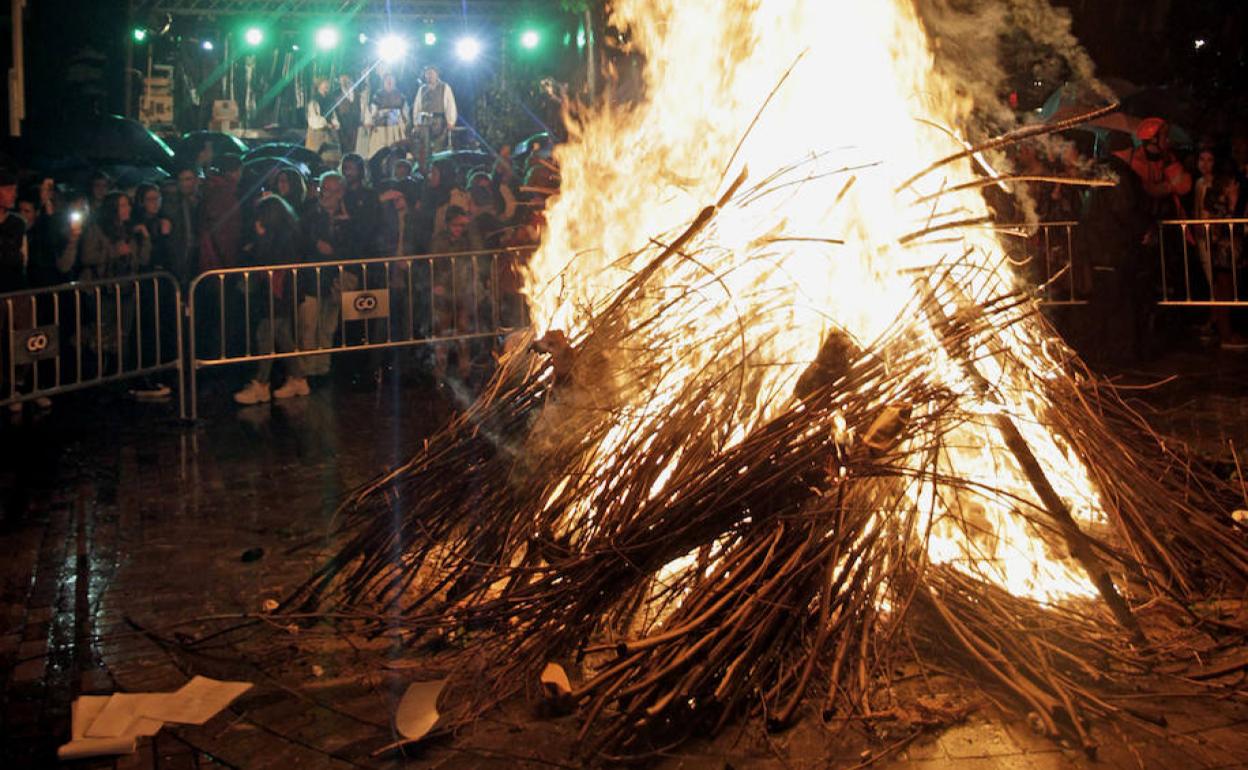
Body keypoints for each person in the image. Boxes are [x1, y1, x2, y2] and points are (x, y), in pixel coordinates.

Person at [234, 196, 313, 404]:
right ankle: (298, 378)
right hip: (283, 291)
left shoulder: (279, 239)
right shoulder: (290, 233)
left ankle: (261, 384)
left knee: (265, 334)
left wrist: (259, 240)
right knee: (282, 334)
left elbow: (269, 261)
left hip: (278, 292)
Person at [162, 165, 201, 287]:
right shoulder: (172, 202)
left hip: (198, 255)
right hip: (182, 256)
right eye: (181, 180)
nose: (184, 184)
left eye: (188, 179)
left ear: (196, 180)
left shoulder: (202, 200)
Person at [413, 66, 458, 158]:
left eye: (432, 73)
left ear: (437, 74)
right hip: (424, 121)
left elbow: (450, 105)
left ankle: (438, 169)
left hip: (439, 121)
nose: (430, 76)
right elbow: (417, 107)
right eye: (428, 74)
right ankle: (426, 169)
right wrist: (416, 123)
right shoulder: (422, 89)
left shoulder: (444, 87)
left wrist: (451, 121)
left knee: (439, 147)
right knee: (425, 148)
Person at [363, 73, 408, 160]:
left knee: (396, 152)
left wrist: (404, 124)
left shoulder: (401, 96)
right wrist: (371, 121)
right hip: (380, 130)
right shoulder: (377, 96)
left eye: (391, 79)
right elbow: (372, 112)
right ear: (384, 81)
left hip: (396, 130)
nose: (389, 82)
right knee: (378, 153)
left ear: (395, 81)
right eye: (387, 80)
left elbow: (405, 113)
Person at [305, 77, 340, 153]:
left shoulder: (329, 100)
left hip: (328, 135)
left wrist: (334, 123)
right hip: (316, 136)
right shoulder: (314, 101)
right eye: (325, 83)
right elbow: (314, 120)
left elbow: (333, 115)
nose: (327, 85)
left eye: (328, 83)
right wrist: (326, 124)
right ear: (319, 85)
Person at [335, 73, 363, 156]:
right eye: (342, 79)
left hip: (355, 125)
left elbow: (360, 107)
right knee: (344, 148)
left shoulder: (357, 93)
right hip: (342, 125)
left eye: (346, 79)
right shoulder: (336, 93)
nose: (344, 81)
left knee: (355, 148)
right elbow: (334, 110)